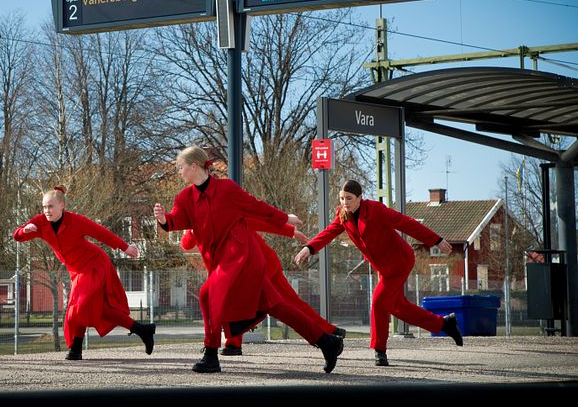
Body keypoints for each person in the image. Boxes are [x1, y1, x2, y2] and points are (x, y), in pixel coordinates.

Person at [153, 146, 343, 374]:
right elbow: (178, 221)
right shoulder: (184, 198)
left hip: (243, 258)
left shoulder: (226, 189)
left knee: (206, 294)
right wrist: (165, 219)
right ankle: (327, 342)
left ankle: (211, 354)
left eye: (180, 166)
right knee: (278, 306)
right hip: (223, 265)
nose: (179, 171)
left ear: (194, 166)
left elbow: (255, 207)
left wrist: (285, 219)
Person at [294, 179, 463, 367]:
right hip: (383, 267)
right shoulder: (343, 214)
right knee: (398, 307)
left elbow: (405, 223)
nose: (344, 202)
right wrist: (309, 248)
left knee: (379, 302)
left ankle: (379, 351)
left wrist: (435, 240)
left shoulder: (375, 210)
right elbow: (329, 232)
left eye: (349, 198)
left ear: (360, 198)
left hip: (400, 261)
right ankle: (444, 324)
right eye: (342, 198)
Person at [13, 185, 156, 360]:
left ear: (62, 205)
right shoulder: (41, 222)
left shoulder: (75, 220)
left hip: (94, 264)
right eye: (44, 207)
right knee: (98, 310)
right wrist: (23, 230)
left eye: (50, 206)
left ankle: (76, 348)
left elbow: (100, 233)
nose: (47, 211)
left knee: (78, 307)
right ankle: (143, 330)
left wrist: (125, 247)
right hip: (77, 271)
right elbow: (18, 236)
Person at [180, 220, 346, 357]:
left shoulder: (224, 206)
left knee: (288, 304)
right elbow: (187, 244)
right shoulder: (201, 215)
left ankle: (329, 333)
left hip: (262, 265)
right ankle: (328, 336)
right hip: (242, 271)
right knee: (280, 305)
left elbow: (258, 219)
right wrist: (190, 228)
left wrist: (288, 228)